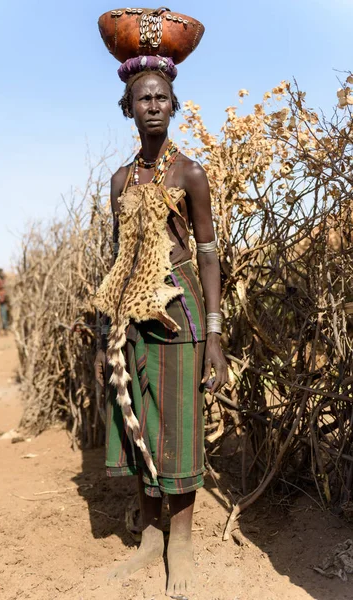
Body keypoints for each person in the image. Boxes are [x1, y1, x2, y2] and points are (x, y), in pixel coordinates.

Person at [95, 60, 227, 599]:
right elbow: (118, 257)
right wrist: (107, 331)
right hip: (130, 311)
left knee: (180, 422)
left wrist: (215, 336)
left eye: (161, 98)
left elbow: (209, 253)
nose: (152, 106)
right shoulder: (121, 181)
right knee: (138, 421)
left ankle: (182, 543)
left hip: (182, 310)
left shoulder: (189, 173)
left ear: (173, 106)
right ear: (129, 109)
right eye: (143, 99)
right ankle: (150, 537)